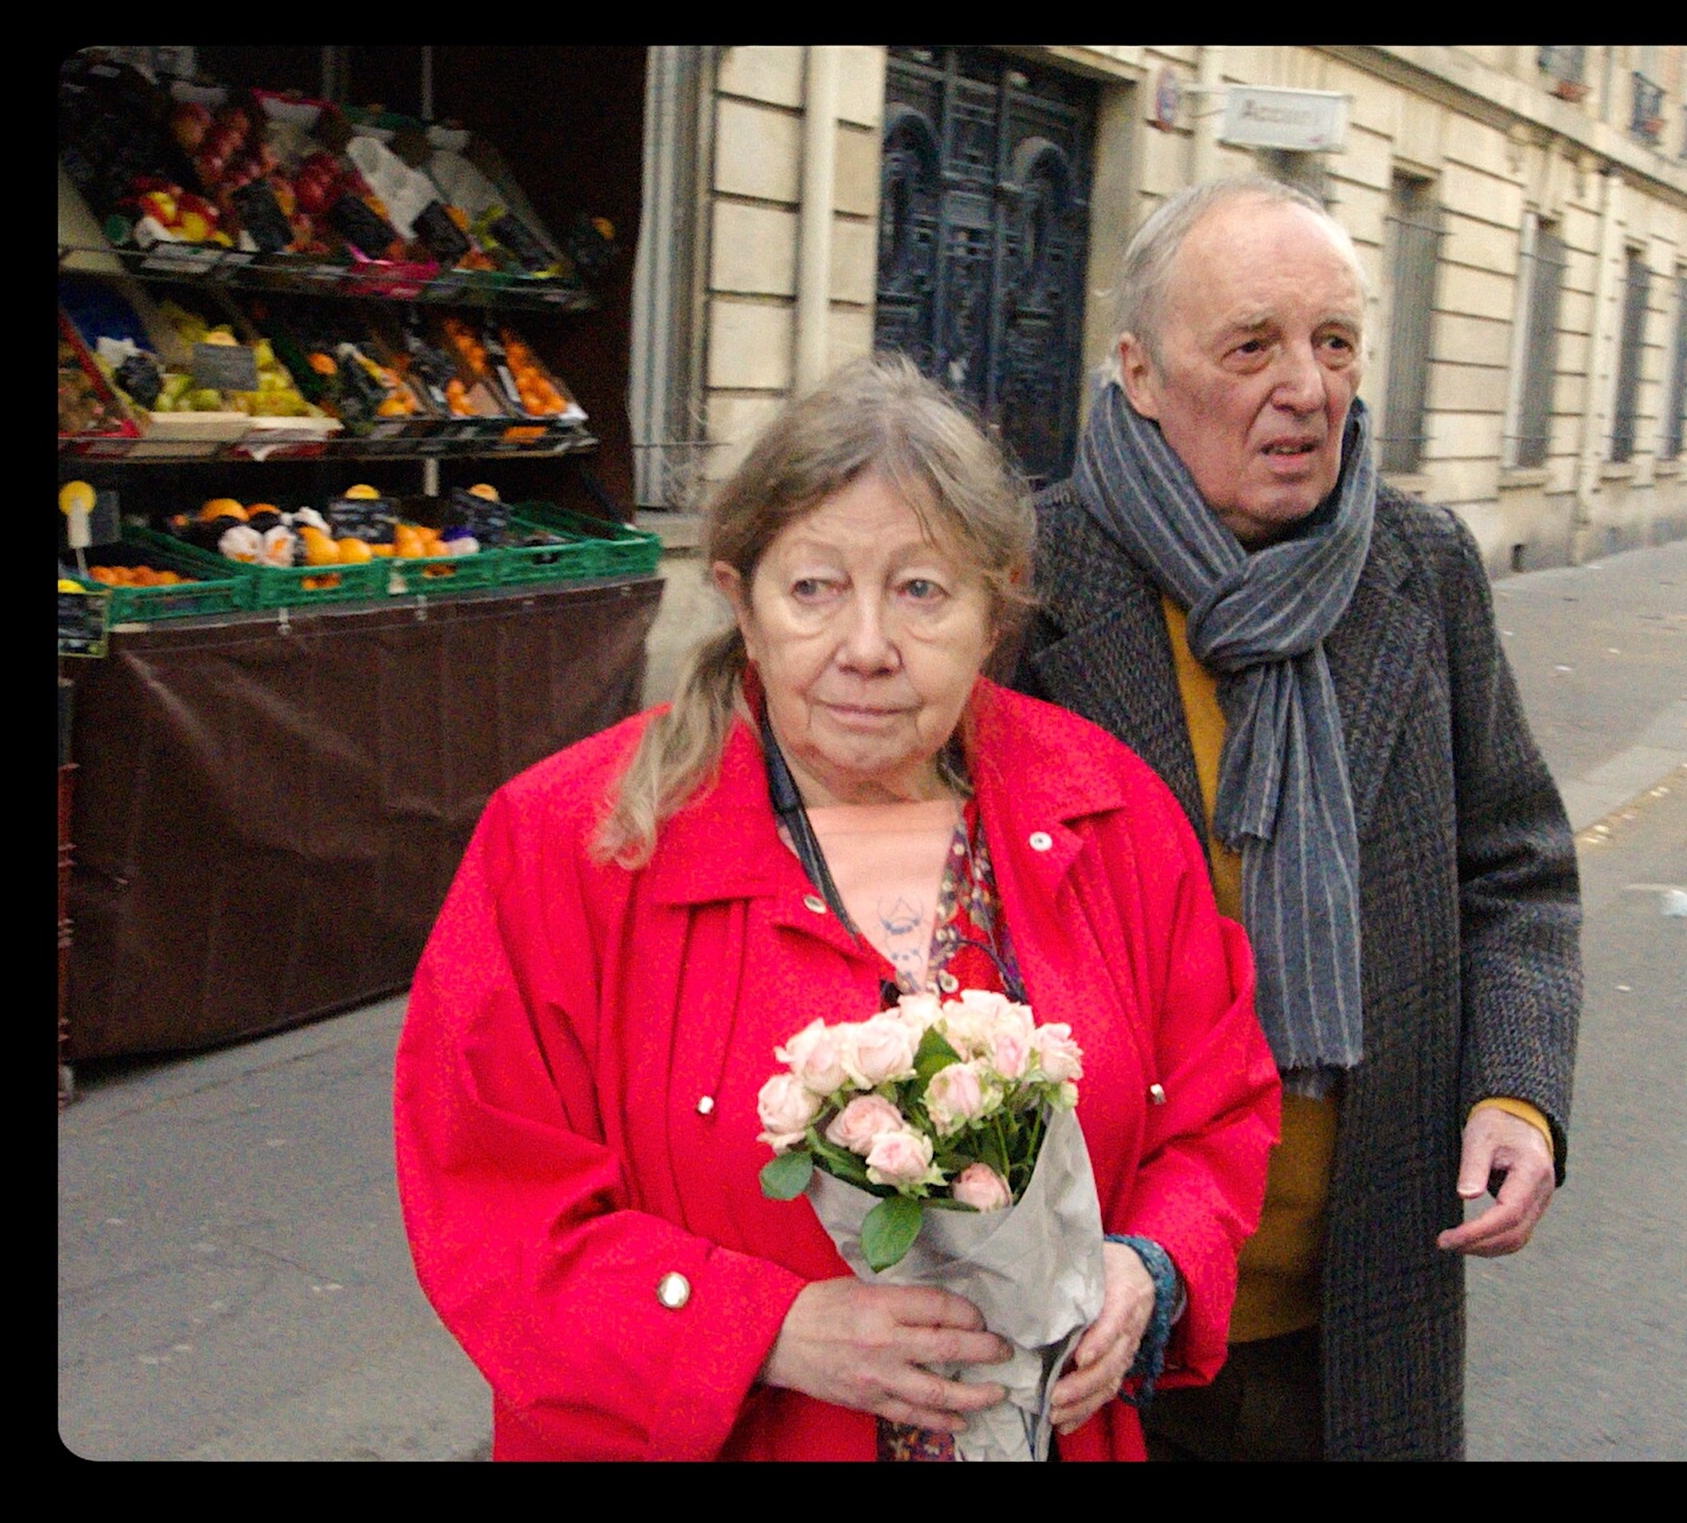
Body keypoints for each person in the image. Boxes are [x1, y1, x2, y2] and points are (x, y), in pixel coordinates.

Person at [394, 356, 1281, 1462]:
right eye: (813, 587)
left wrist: (1146, 1267)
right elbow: (489, 1205)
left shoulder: (1108, 813)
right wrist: (762, 1329)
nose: (866, 648)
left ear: (993, 607)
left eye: (921, 590)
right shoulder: (568, 842)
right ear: (741, 601)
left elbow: (1216, 1106)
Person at [1011, 176, 1583, 1461]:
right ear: (1139, 372)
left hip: (1362, 1293)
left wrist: (1515, 1091)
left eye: (1333, 342)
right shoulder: (1021, 583)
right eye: (1252, 345)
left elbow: (1517, 868)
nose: (1308, 387)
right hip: (1090, 1306)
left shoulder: (1419, 569)